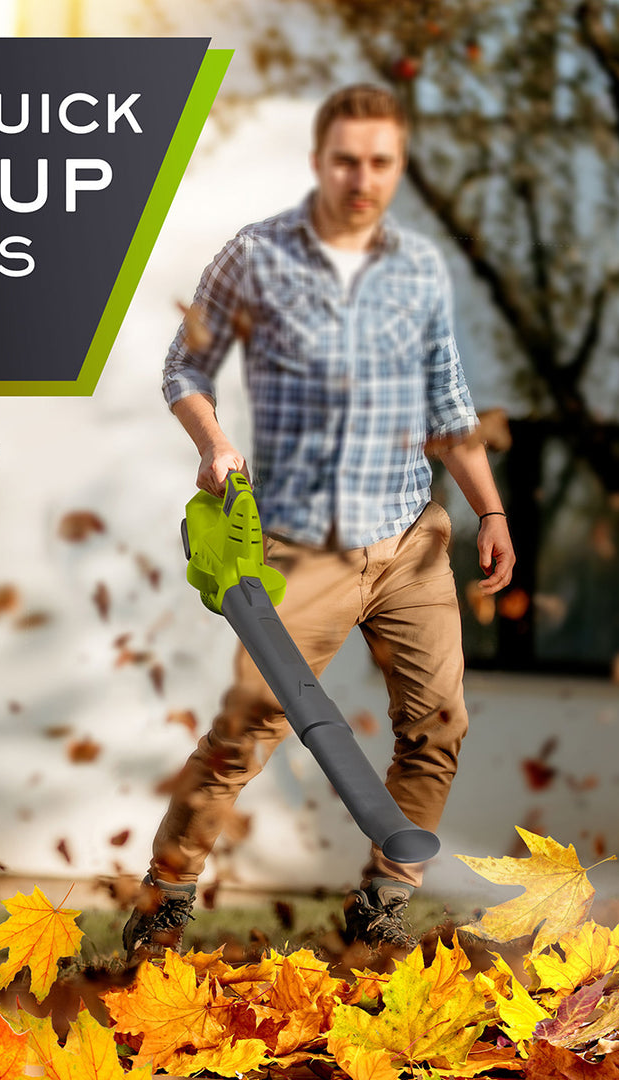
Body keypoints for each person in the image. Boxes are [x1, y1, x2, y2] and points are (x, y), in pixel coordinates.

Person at [123, 84, 515, 959]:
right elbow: (185, 367)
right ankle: (167, 895)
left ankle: (383, 900)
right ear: (319, 162)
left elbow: (449, 410)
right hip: (305, 550)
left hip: (413, 540)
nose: (362, 177)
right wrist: (216, 442)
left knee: (438, 725)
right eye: (347, 160)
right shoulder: (257, 256)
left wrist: (489, 508)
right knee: (248, 729)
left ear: (396, 167)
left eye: (380, 162)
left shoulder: (417, 272)